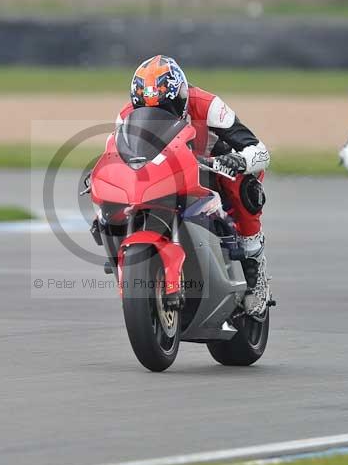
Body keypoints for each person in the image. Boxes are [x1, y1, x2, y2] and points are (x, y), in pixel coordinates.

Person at [116, 55, 271, 316]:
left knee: (244, 188)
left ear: (181, 98)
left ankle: (255, 272)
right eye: (146, 109)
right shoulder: (125, 117)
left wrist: (234, 160)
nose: (154, 116)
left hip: (211, 168)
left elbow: (260, 150)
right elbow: (118, 155)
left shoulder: (208, 105)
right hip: (162, 174)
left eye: (165, 108)